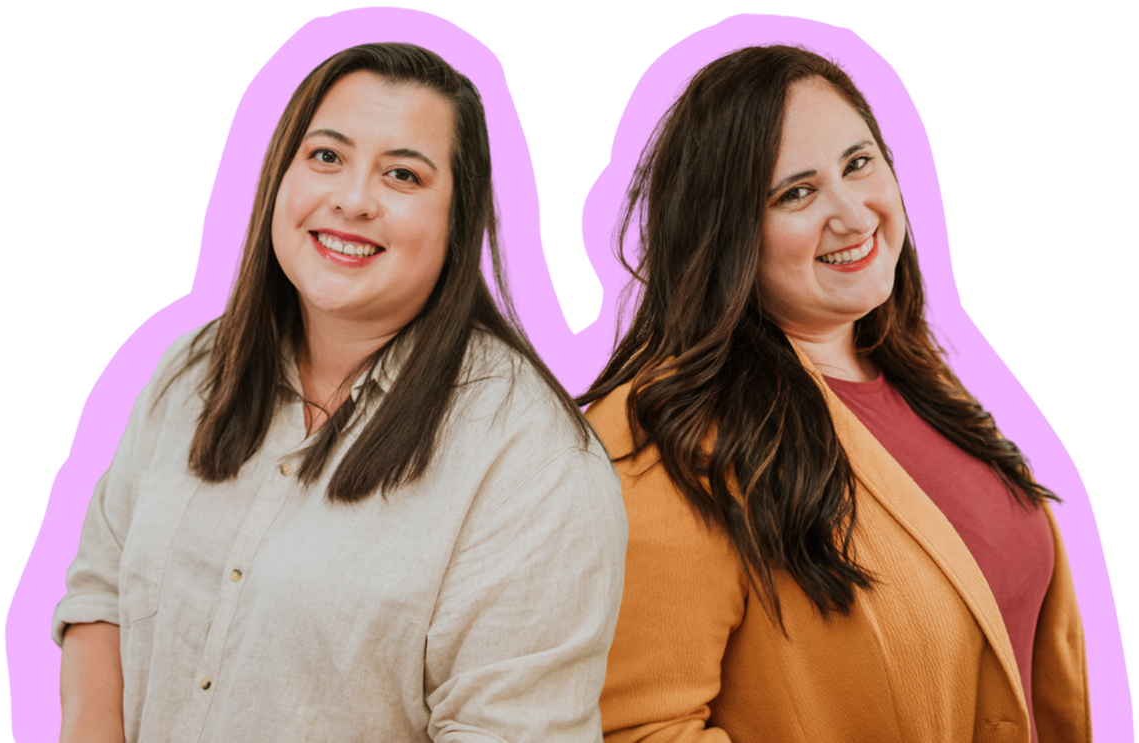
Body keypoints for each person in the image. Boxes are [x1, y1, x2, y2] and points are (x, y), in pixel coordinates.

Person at [54, 42, 626, 743]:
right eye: (326, 156)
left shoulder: (534, 464)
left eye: (403, 175)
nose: (352, 199)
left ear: (459, 219)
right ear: (279, 177)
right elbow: (100, 592)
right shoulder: (193, 370)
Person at [581, 44, 1090, 743]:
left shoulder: (916, 378)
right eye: (796, 192)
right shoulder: (664, 437)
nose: (854, 215)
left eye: (858, 163)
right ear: (728, 232)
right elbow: (634, 730)